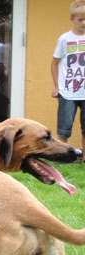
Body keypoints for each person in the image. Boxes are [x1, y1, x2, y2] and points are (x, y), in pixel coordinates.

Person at [51, 0, 85, 161]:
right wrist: (57, 86)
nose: (84, 23)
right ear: (72, 19)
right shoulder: (65, 39)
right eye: (80, 19)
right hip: (68, 91)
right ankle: (61, 157)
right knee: (64, 129)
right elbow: (54, 63)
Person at [0, 22, 11, 123]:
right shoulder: (14, 48)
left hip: (4, 85)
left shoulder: (2, 49)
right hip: (13, 84)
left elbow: (1, 68)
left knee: (0, 114)